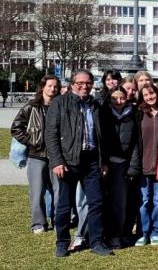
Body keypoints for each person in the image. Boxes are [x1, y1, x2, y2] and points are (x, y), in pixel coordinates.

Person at [45, 69, 113, 257]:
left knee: (96, 202)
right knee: (64, 205)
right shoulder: (60, 103)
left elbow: (102, 136)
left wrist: (104, 161)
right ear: (72, 84)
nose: (84, 86)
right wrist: (57, 161)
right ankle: (62, 242)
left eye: (88, 83)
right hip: (68, 161)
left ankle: (96, 241)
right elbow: (50, 134)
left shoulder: (95, 105)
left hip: (92, 161)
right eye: (80, 83)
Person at [11, 74, 60, 234]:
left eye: (55, 86)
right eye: (50, 86)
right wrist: (31, 141)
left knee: (58, 191)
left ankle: (57, 220)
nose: (53, 89)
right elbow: (16, 128)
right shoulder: (31, 107)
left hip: (56, 156)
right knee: (37, 191)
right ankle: (38, 223)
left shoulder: (60, 106)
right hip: (36, 155)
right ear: (43, 87)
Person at [99, 87, 142, 249]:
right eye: (115, 98)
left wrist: (133, 167)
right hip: (104, 163)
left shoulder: (133, 114)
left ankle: (116, 234)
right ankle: (99, 233)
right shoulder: (103, 113)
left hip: (122, 164)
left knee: (119, 202)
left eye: (122, 98)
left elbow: (136, 144)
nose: (118, 101)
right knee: (100, 201)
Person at [136, 84, 158, 247]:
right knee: (144, 201)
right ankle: (143, 232)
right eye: (145, 95)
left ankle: (156, 231)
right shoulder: (139, 114)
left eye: (151, 93)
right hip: (143, 164)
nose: (149, 97)